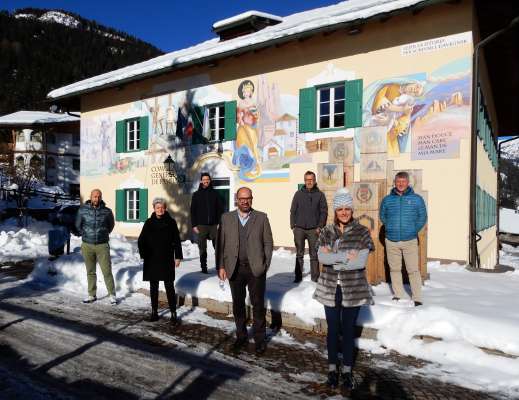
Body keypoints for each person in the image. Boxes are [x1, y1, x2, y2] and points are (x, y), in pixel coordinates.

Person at [314, 187, 374, 390]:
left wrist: (334, 257)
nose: (344, 212)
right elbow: (322, 257)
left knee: (348, 330)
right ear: (335, 210)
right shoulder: (327, 232)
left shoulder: (362, 232)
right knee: (333, 330)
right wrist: (344, 257)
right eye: (340, 209)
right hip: (330, 287)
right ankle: (332, 369)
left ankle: (347, 370)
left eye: (348, 208)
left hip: (353, 288)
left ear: (352, 209)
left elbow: (361, 262)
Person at [216, 187, 273, 355]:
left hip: (256, 269)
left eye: (248, 198)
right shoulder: (226, 218)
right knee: (238, 304)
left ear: (252, 199)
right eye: (242, 198)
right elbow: (220, 245)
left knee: (258, 305)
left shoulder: (261, 218)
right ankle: (241, 336)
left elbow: (268, 243)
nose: (245, 201)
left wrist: (265, 264)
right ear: (237, 199)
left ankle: (259, 339)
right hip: (234, 268)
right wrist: (221, 266)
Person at [380, 171, 427, 306]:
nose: (400, 184)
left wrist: (413, 230)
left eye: (403, 181)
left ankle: (417, 297)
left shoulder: (417, 199)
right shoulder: (387, 199)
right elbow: (382, 215)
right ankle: (398, 294)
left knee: (412, 269)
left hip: (410, 240)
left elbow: (422, 217)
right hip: (391, 240)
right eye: (398, 181)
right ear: (395, 182)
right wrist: (389, 226)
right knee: (394, 269)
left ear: (408, 183)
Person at [138, 198, 183, 324]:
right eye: (157, 207)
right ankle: (154, 312)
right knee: (153, 286)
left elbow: (177, 241)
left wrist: (178, 257)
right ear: (154, 208)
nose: (160, 209)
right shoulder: (148, 223)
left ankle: (173, 313)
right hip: (152, 258)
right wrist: (144, 254)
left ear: (165, 208)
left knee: (169, 286)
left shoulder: (171, 222)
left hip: (166, 258)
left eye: (162, 207)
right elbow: (141, 240)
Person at [75, 189, 116, 304]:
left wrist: (103, 234)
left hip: (102, 245)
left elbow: (111, 226)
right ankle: (91, 294)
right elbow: (78, 225)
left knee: (107, 271)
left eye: (98, 196)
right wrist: (85, 234)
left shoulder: (107, 212)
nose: (96, 199)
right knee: (90, 271)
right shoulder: (82, 211)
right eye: (94, 196)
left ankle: (112, 295)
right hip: (87, 245)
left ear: (101, 197)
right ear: (91, 197)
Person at [290, 171, 328, 283]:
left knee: (314, 254)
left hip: (314, 229)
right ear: (304, 181)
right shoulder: (298, 194)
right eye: (307, 180)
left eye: (311, 179)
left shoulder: (320, 195)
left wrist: (320, 226)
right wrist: (293, 226)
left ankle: (315, 277)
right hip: (299, 229)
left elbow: (323, 212)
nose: (309, 182)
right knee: (299, 254)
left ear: (314, 180)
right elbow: (293, 210)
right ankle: (298, 276)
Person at [190, 173, 224, 274]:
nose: (206, 181)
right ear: (201, 181)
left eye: (207, 179)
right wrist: (194, 225)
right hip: (201, 225)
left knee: (217, 247)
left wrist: (219, 222)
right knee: (202, 248)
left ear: (210, 180)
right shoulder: (196, 194)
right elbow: (193, 211)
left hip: (214, 225)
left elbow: (220, 209)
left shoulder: (215, 194)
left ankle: (219, 266)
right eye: (204, 179)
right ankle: (203, 267)